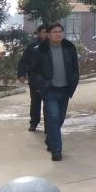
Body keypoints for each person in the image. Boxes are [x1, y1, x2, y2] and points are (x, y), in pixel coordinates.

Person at [29, 22, 79, 162]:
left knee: (60, 118)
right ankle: (56, 150)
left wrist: (74, 82)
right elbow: (33, 70)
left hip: (65, 89)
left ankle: (50, 139)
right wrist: (41, 84)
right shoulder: (41, 50)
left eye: (60, 31)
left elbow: (75, 68)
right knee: (53, 117)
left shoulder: (69, 48)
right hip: (49, 89)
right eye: (55, 32)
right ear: (48, 34)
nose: (58, 34)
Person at [17, 24, 47, 132]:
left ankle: (49, 125)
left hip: (49, 79)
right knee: (35, 102)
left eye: (47, 32)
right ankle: (34, 122)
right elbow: (23, 61)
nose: (46, 34)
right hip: (35, 79)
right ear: (39, 33)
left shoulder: (54, 45)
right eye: (43, 32)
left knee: (49, 103)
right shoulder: (32, 46)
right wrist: (21, 74)